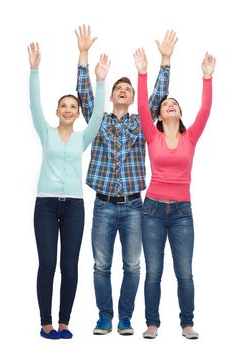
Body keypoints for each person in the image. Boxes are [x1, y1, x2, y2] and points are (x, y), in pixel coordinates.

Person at [75, 24, 177, 335]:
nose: (123, 89)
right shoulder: (99, 121)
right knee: (101, 266)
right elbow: (84, 95)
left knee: (133, 267)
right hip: (103, 206)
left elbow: (158, 97)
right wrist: (83, 55)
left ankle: (125, 317)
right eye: (119, 87)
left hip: (135, 206)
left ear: (132, 98)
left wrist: (164, 62)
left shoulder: (141, 123)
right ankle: (105, 316)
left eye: (128, 88)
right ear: (113, 95)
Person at [28, 41, 110, 339]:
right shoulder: (45, 132)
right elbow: (34, 104)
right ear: (57, 111)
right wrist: (34, 70)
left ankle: (64, 323)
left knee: (70, 265)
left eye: (72, 107)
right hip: (46, 205)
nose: (67, 109)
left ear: (77, 114)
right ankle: (46, 322)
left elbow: (98, 116)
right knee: (48, 263)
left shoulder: (82, 138)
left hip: (74, 206)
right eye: (63, 105)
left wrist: (101, 82)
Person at [134, 46, 216, 339]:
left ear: (180, 114)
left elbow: (205, 110)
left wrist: (207, 78)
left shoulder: (190, 137)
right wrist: (143, 73)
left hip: (182, 212)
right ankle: (152, 323)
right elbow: (142, 106)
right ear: (159, 114)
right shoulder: (151, 135)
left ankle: (187, 323)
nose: (170, 105)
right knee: (154, 271)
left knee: (184, 272)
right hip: (153, 210)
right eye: (166, 103)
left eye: (175, 104)